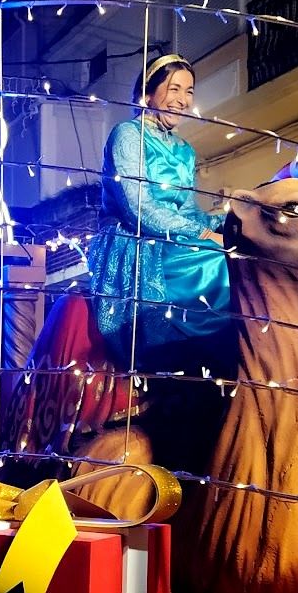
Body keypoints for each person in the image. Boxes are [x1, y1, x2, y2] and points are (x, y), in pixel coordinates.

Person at [87, 53, 232, 370]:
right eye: (175, 89)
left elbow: (189, 210)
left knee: (237, 255)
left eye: (189, 91)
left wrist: (227, 223)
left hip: (179, 236)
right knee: (215, 260)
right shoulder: (127, 134)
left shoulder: (184, 150)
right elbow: (139, 208)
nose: (183, 100)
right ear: (148, 93)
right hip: (137, 238)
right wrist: (204, 234)